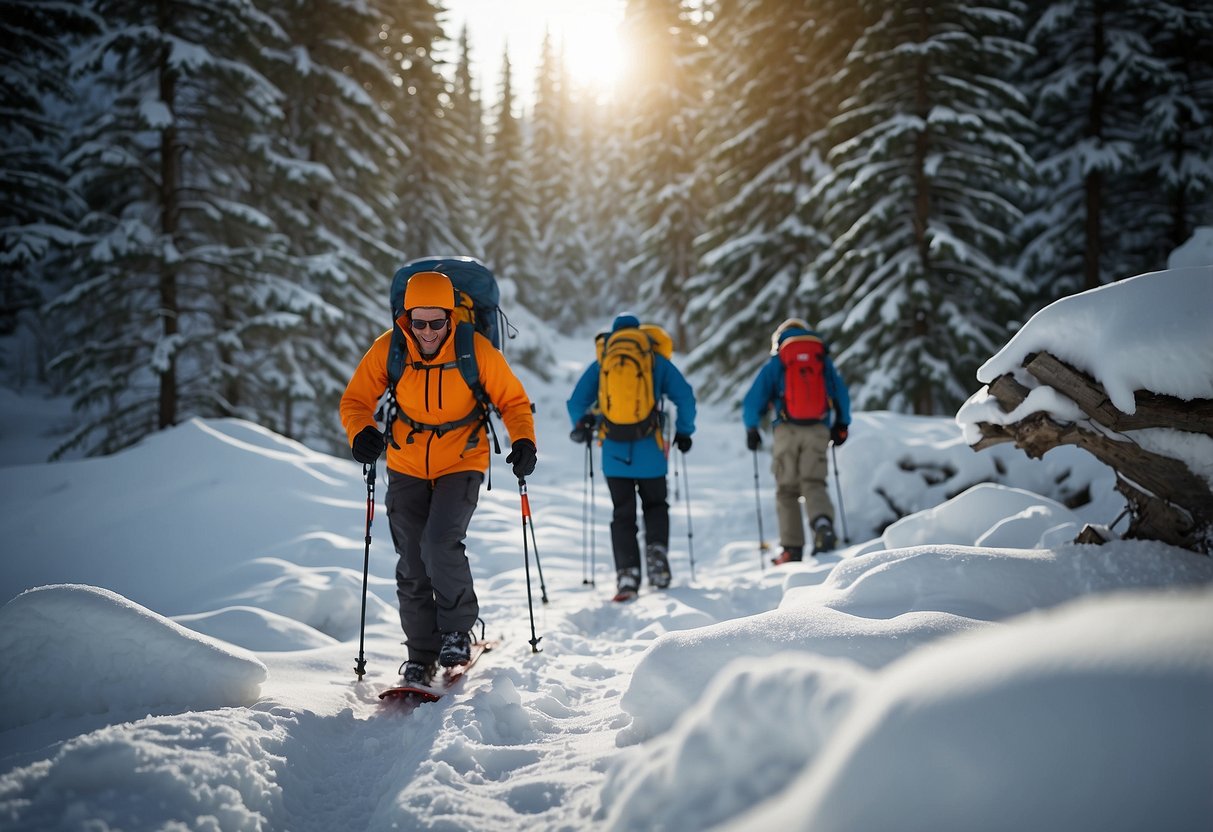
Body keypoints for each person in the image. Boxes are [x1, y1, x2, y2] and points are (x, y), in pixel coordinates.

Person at [340, 270, 537, 686]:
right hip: (406, 460)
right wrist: (361, 433)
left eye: (436, 322)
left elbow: (513, 400)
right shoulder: (390, 348)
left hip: (462, 456)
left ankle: (456, 632)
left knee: (440, 542)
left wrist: (523, 441)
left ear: (451, 317)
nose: (427, 331)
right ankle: (419, 654)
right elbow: (356, 400)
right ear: (406, 318)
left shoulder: (474, 348)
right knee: (411, 557)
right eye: (418, 322)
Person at [566, 314, 696, 599]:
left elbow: (576, 402)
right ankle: (657, 558)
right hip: (651, 450)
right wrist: (684, 432)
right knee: (655, 505)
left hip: (613, 452)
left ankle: (627, 575)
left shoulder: (603, 361)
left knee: (622, 514)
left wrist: (583, 423)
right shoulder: (655, 360)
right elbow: (685, 396)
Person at [742, 317, 850, 563]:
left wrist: (752, 428)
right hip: (818, 429)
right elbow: (840, 392)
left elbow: (752, 400)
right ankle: (823, 525)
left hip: (787, 430)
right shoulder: (821, 358)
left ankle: (792, 549)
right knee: (814, 482)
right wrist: (842, 424)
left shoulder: (778, 361)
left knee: (787, 489)